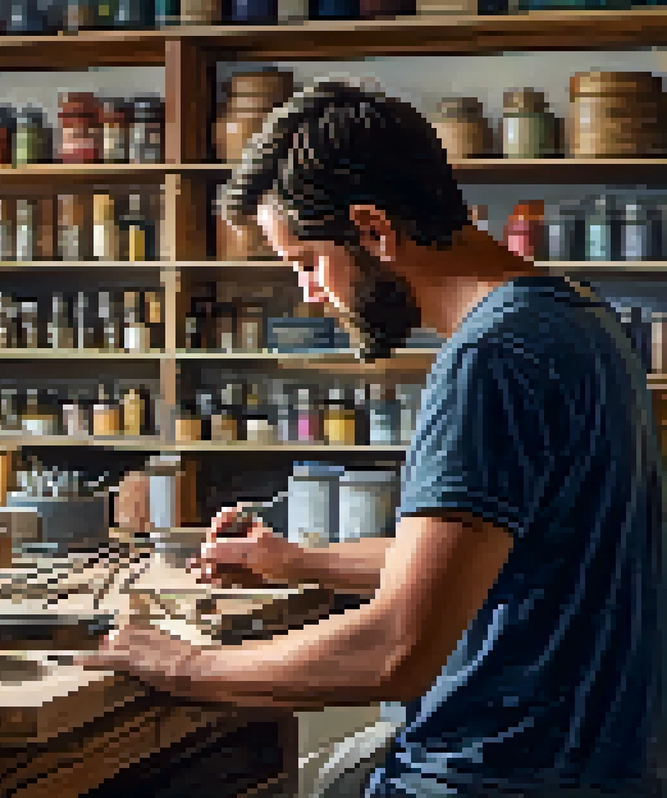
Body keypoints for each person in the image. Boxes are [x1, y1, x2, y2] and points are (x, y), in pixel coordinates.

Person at [76, 79, 665, 797]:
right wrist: (295, 561)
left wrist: (185, 664)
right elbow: (471, 559)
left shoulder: (491, 358)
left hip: (492, 777)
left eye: (306, 262)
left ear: (374, 230)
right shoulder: (579, 319)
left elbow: (396, 650)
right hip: (591, 768)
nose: (308, 293)